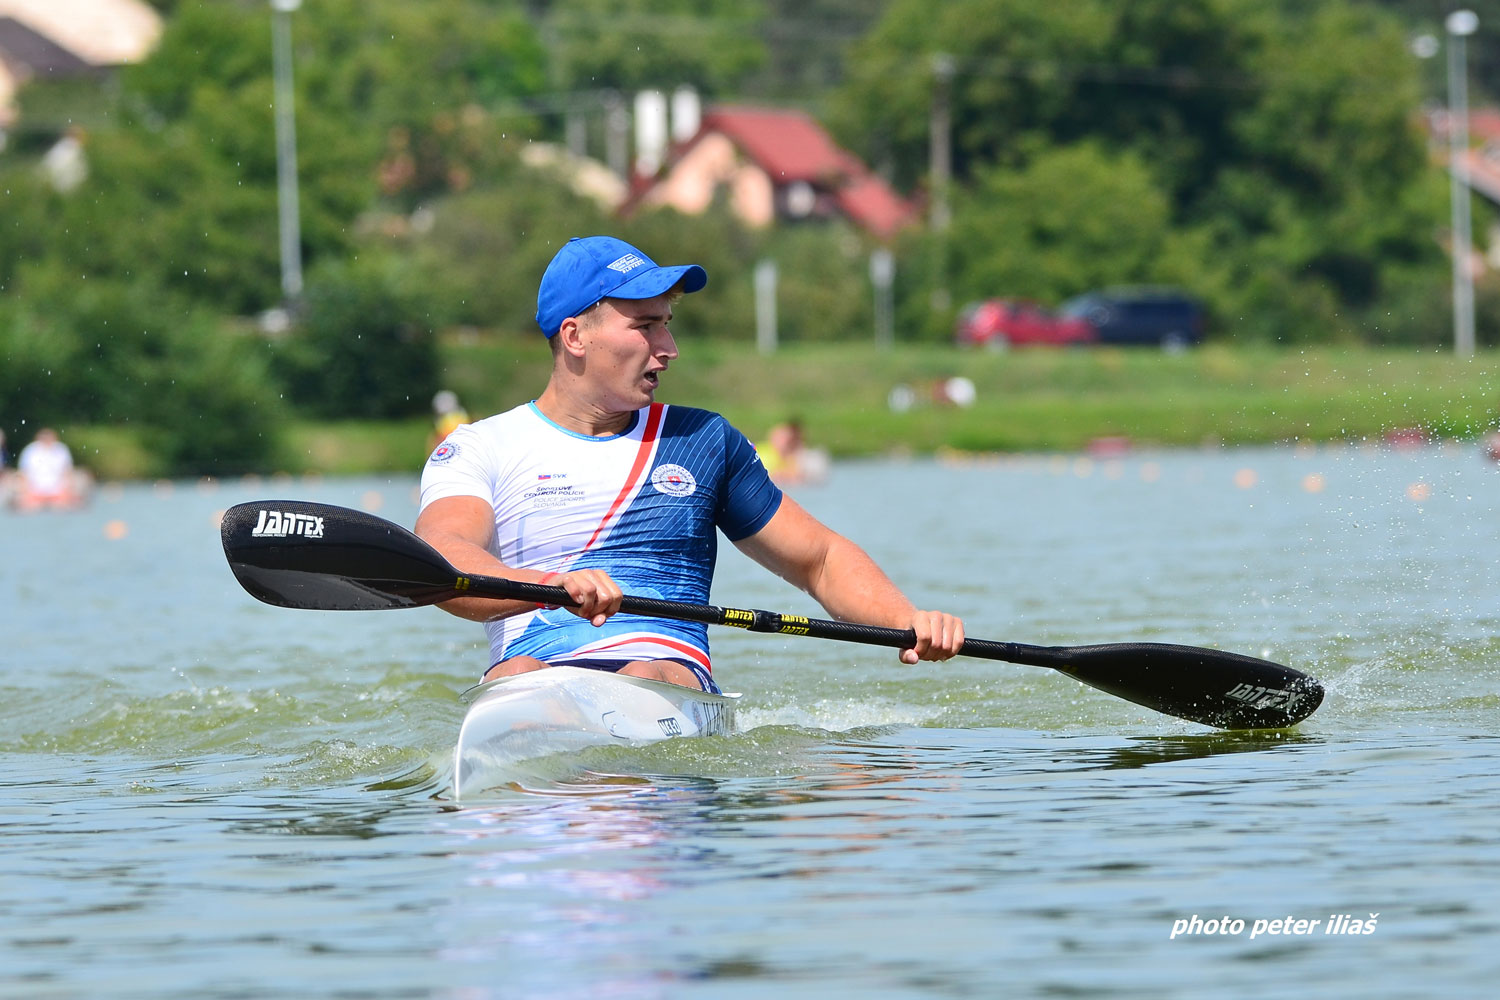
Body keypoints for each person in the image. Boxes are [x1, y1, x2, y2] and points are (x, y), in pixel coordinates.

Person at [415, 235, 964, 693]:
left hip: (662, 676)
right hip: (530, 673)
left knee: (641, 674)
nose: (669, 347)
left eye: (668, 323)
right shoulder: (478, 447)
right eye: (647, 325)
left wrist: (905, 621)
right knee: (519, 672)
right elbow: (443, 554)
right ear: (575, 336)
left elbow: (818, 559)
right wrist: (551, 583)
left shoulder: (701, 441)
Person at [14, 427, 84, 511]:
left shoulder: (61, 449)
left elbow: (67, 472)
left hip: (58, 488)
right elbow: (23, 473)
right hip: (34, 488)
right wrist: (26, 491)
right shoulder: (30, 451)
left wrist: (66, 489)